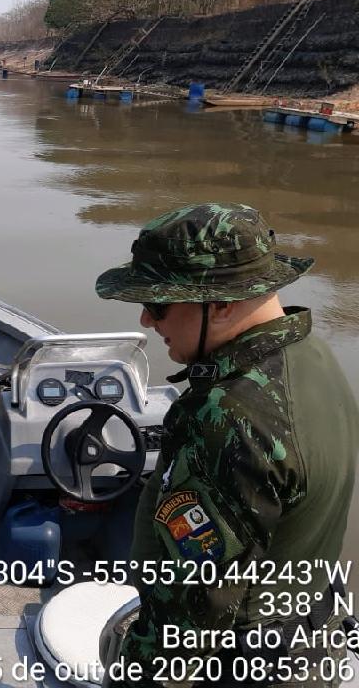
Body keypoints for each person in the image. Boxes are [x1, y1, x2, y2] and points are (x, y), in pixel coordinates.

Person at [95, 203, 359, 687]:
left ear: (220, 305)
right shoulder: (312, 358)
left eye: (158, 304)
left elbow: (189, 625)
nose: (146, 320)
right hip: (312, 646)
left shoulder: (229, 417)